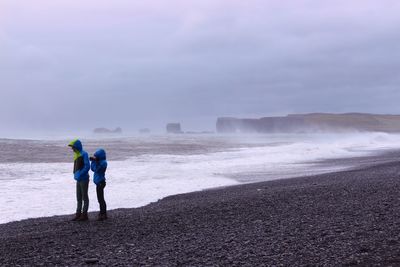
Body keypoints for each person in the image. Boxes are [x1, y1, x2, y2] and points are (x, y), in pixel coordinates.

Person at [68, 139, 90, 221]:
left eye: (73, 147)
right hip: (78, 179)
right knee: (78, 197)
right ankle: (78, 213)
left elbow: (87, 166)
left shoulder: (84, 154)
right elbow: (76, 167)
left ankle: (84, 215)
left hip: (84, 178)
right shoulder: (76, 155)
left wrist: (80, 174)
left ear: (77, 147)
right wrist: (75, 174)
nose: (72, 149)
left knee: (84, 197)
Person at [90, 149, 108, 221]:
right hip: (98, 182)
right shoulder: (99, 161)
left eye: (96, 156)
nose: (95, 157)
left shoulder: (104, 163)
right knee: (100, 199)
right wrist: (94, 161)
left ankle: (103, 214)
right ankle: (102, 213)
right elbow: (93, 169)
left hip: (101, 182)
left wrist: (96, 161)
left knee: (101, 199)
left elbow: (97, 169)